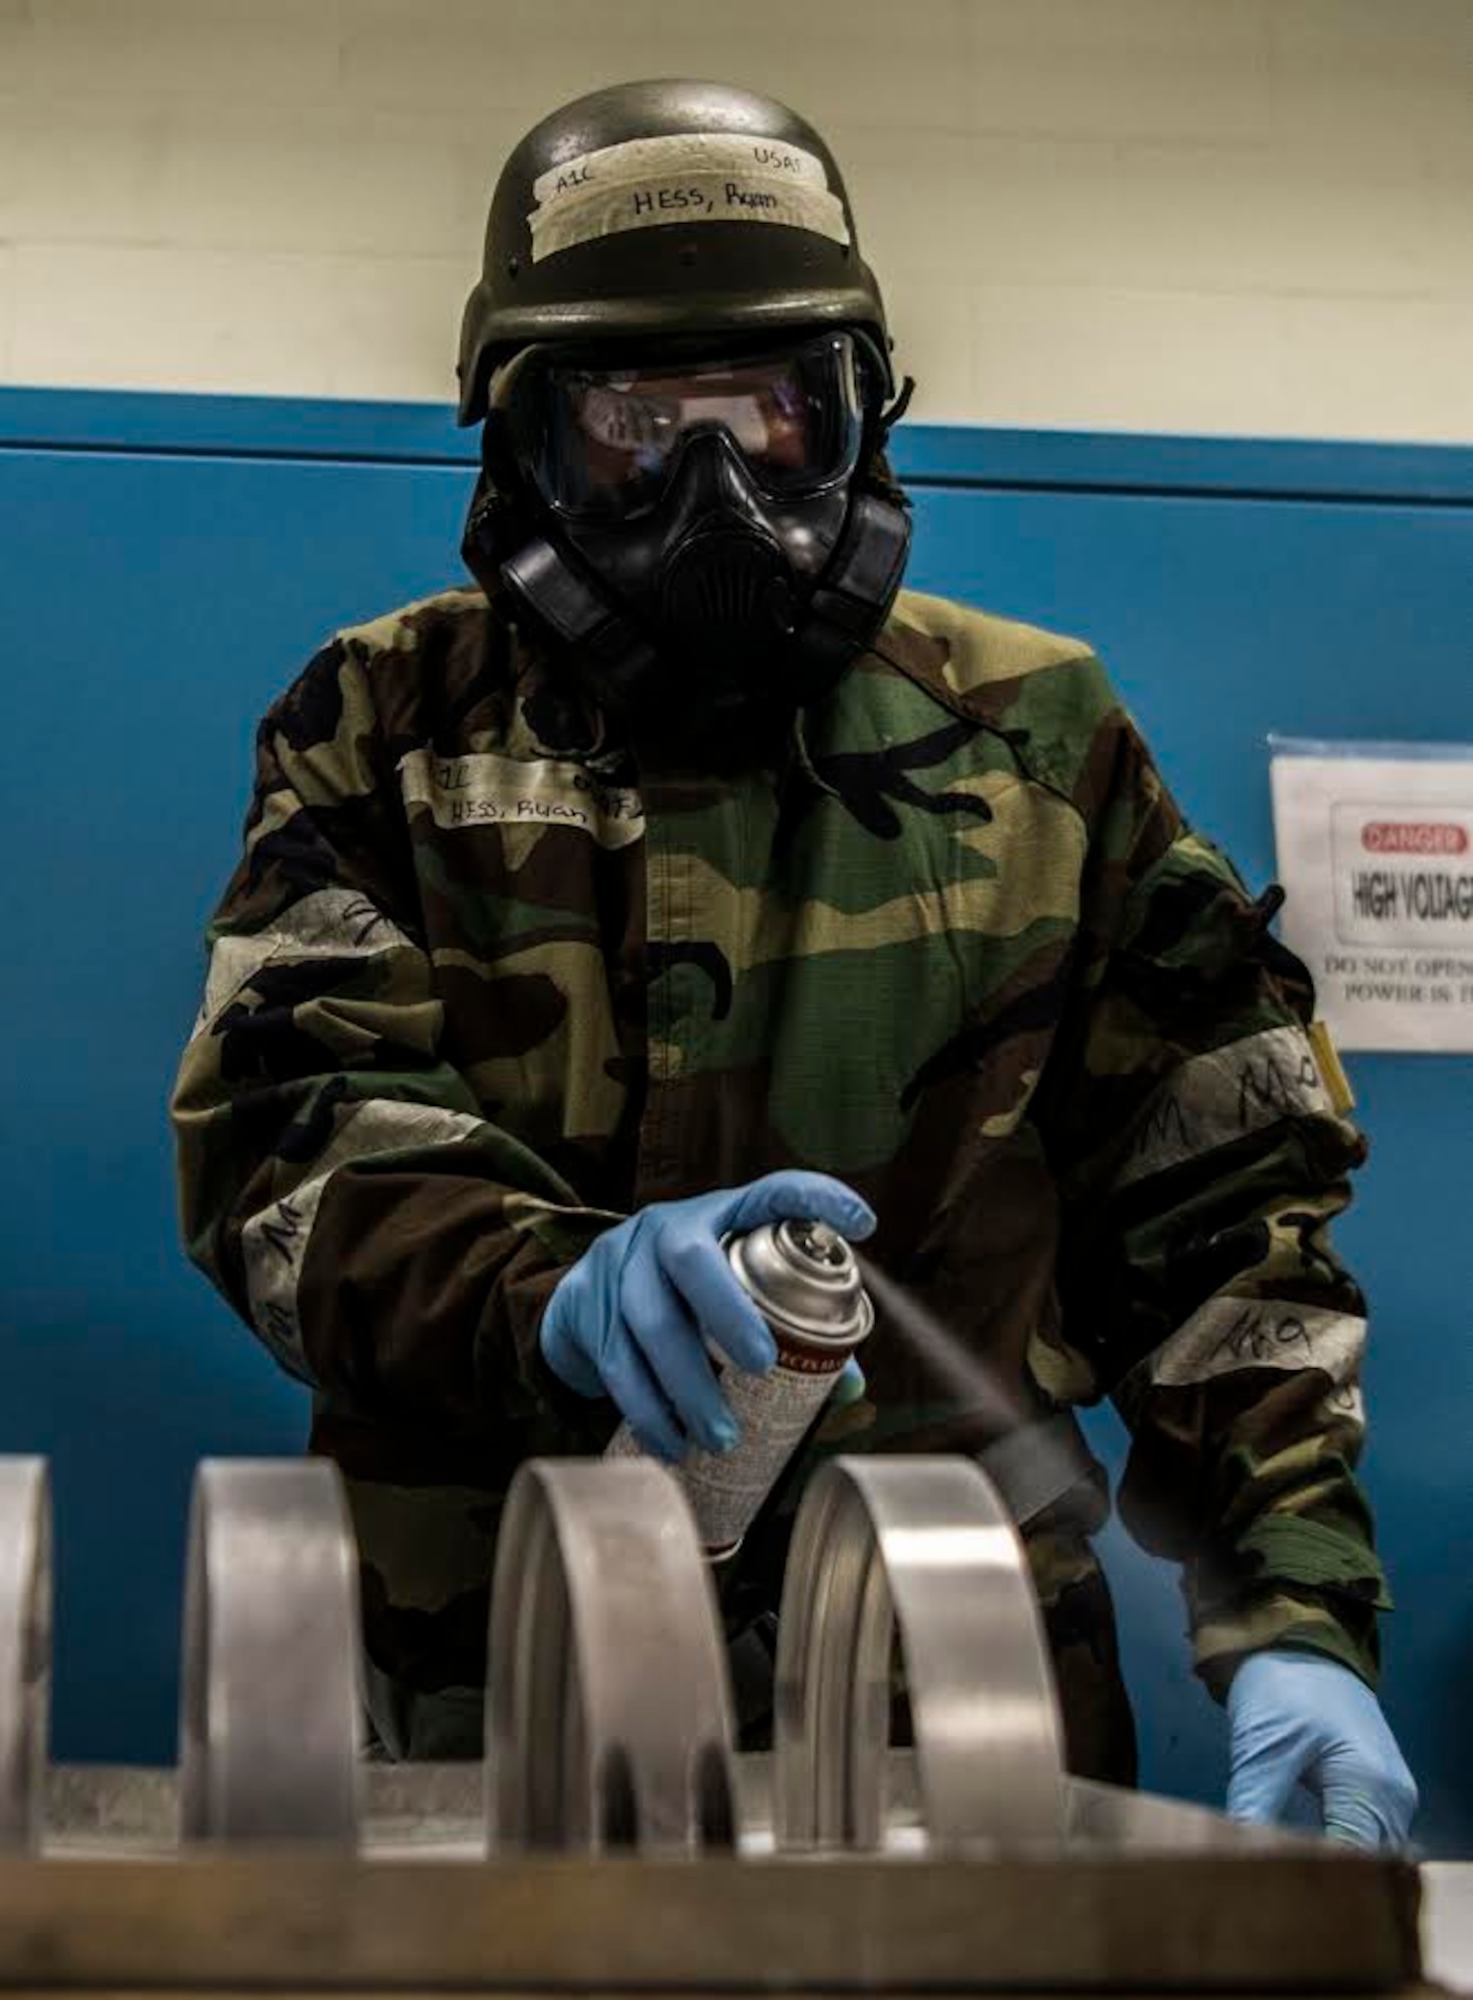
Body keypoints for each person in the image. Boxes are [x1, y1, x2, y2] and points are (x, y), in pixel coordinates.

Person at [170, 78, 1416, 1843]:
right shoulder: (382, 724)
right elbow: (288, 1134)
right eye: (631, 422)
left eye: (770, 415)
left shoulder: (1038, 737)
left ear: (860, 420)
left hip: (961, 1694)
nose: (714, 494)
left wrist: (1300, 1622)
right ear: (518, 441)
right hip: (500, 1673)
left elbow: (1226, 1204)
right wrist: (560, 1290)